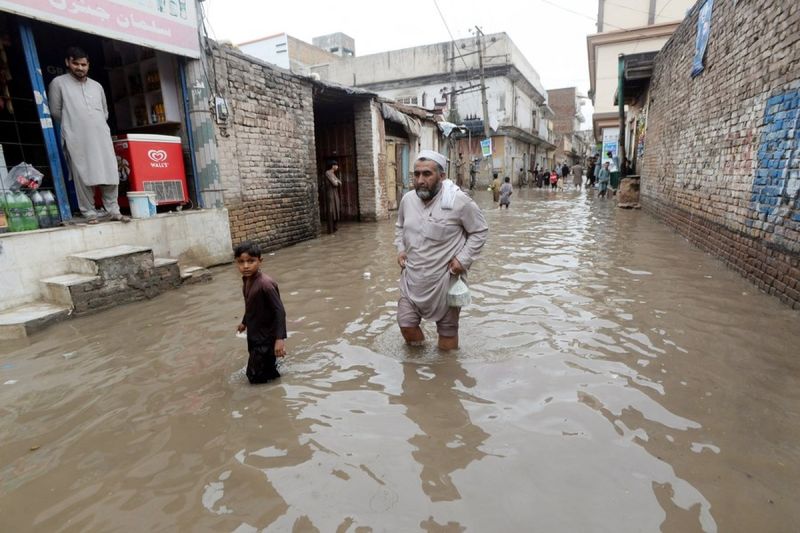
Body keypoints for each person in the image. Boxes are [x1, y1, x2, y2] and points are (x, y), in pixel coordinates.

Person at [395, 150, 488, 350]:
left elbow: (479, 231)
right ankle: (420, 365)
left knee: (447, 337)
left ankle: (445, 375)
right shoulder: (407, 200)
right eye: (416, 174)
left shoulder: (459, 202)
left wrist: (463, 260)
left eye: (427, 174)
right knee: (406, 326)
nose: (420, 180)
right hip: (412, 280)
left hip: (445, 281)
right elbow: (400, 227)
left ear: (442, 176)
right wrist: (401, 248)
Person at [48, 47, 129, 224]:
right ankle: (90, 213)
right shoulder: (58, 83)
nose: (80, 68)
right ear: (67, 62)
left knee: (109, 171)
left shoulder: (97, 86)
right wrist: (77, 122)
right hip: (76, 136)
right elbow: (55, 112)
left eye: (83, 64)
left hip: (101, 136)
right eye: (75, 63)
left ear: (88, 65)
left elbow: (105, 112)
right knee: (82, 173)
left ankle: (113, 211)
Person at [235, 241, 287, 384]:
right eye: (241, 262)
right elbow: (250, 305)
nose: (245, 266)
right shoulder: (247, 279)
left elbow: (280, 311)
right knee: (267, 370)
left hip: (265, 338)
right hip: (255, 333)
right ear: (236, 263)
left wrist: (279, 339)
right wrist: (244, 322)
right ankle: (275, 383)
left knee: (253, 376)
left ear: (260, 261)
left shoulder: (265, 284)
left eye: (251, 261)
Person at [323, 159, 342, 234]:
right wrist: (336, 182)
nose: (337, 166)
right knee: (331, 210)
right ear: (333, 166)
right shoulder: (328, 172)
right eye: (336, 165)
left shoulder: (333, 174)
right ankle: (330, 229)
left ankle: (335, 227)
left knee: (336, 208)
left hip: (335, 192)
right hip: (330, 193)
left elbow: (340, 182)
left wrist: (336, 181)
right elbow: (335, 184)